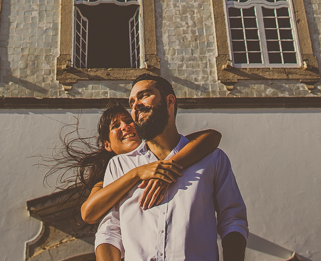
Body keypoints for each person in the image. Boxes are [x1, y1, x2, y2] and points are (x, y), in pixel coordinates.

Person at [94, 74, 247, 261]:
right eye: (131, 101)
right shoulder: (119, 165)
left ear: (169, 101)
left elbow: (233, 219)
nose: (135, 105)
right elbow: (110, 230)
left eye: (144, 95)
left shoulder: (213, 159)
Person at [57, 104, 223, 224]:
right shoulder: (104, 180)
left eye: (129, 121)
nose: (125, 127)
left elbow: (212, 137)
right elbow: (88, 212)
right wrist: (136, 173)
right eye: (116, 125)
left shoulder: (165, 153)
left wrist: (168, 166)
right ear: (107, 145)